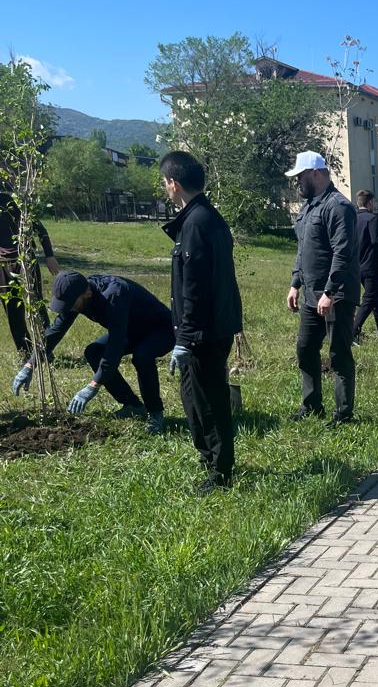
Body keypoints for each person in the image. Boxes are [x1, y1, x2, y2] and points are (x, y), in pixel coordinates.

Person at [160, 150, 243, 493]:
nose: (165, 189)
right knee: (194, 397)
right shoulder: (204, 217)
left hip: (204, 332)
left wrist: (185, 338)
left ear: (174, 184)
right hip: (208, 327)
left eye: (165, 183)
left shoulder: (196, 223)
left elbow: (194, 287)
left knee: (209, 401)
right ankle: (209, 459)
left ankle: (221, 471)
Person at [14, 270, 174, 432]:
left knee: (142, 356)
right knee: (94, 352)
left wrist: (93, 385)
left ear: (87, 294)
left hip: (162, 329)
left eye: (71, 304)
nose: (68, 308)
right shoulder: (77, 294)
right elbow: (55, 331)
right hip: (130, 330)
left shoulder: (114, 295)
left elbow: (115, 346)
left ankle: (155, 413)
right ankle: (133, 406)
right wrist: (30, 364)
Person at [286, 151, 360, 424]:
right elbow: (303, 250)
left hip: (335, 295)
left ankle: (343, 413)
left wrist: (329, 292)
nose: (297, 182)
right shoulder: (308, 208)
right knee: (305, 348)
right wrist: (295, 284)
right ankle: (311, 405)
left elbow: (343, 252)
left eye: (300, 176)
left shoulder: (338, 207)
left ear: (315, 173)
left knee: (338, 354)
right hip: (310, 295)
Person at [1, 191, 60, 362]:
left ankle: (46, 349)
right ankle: (25, 353)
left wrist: (49, 255)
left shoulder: (13, 201)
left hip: (24, 259)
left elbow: (39, 228)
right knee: (12, 309)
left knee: (35, 304)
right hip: (2, 264)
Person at [352, 190, 378, 345]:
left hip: (356, 265)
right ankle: (353, 332)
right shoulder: (372, 218)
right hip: (370, 266)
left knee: (376, 298)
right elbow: (375, 241)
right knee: (369, 299)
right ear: (370, 203)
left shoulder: (352, 218)